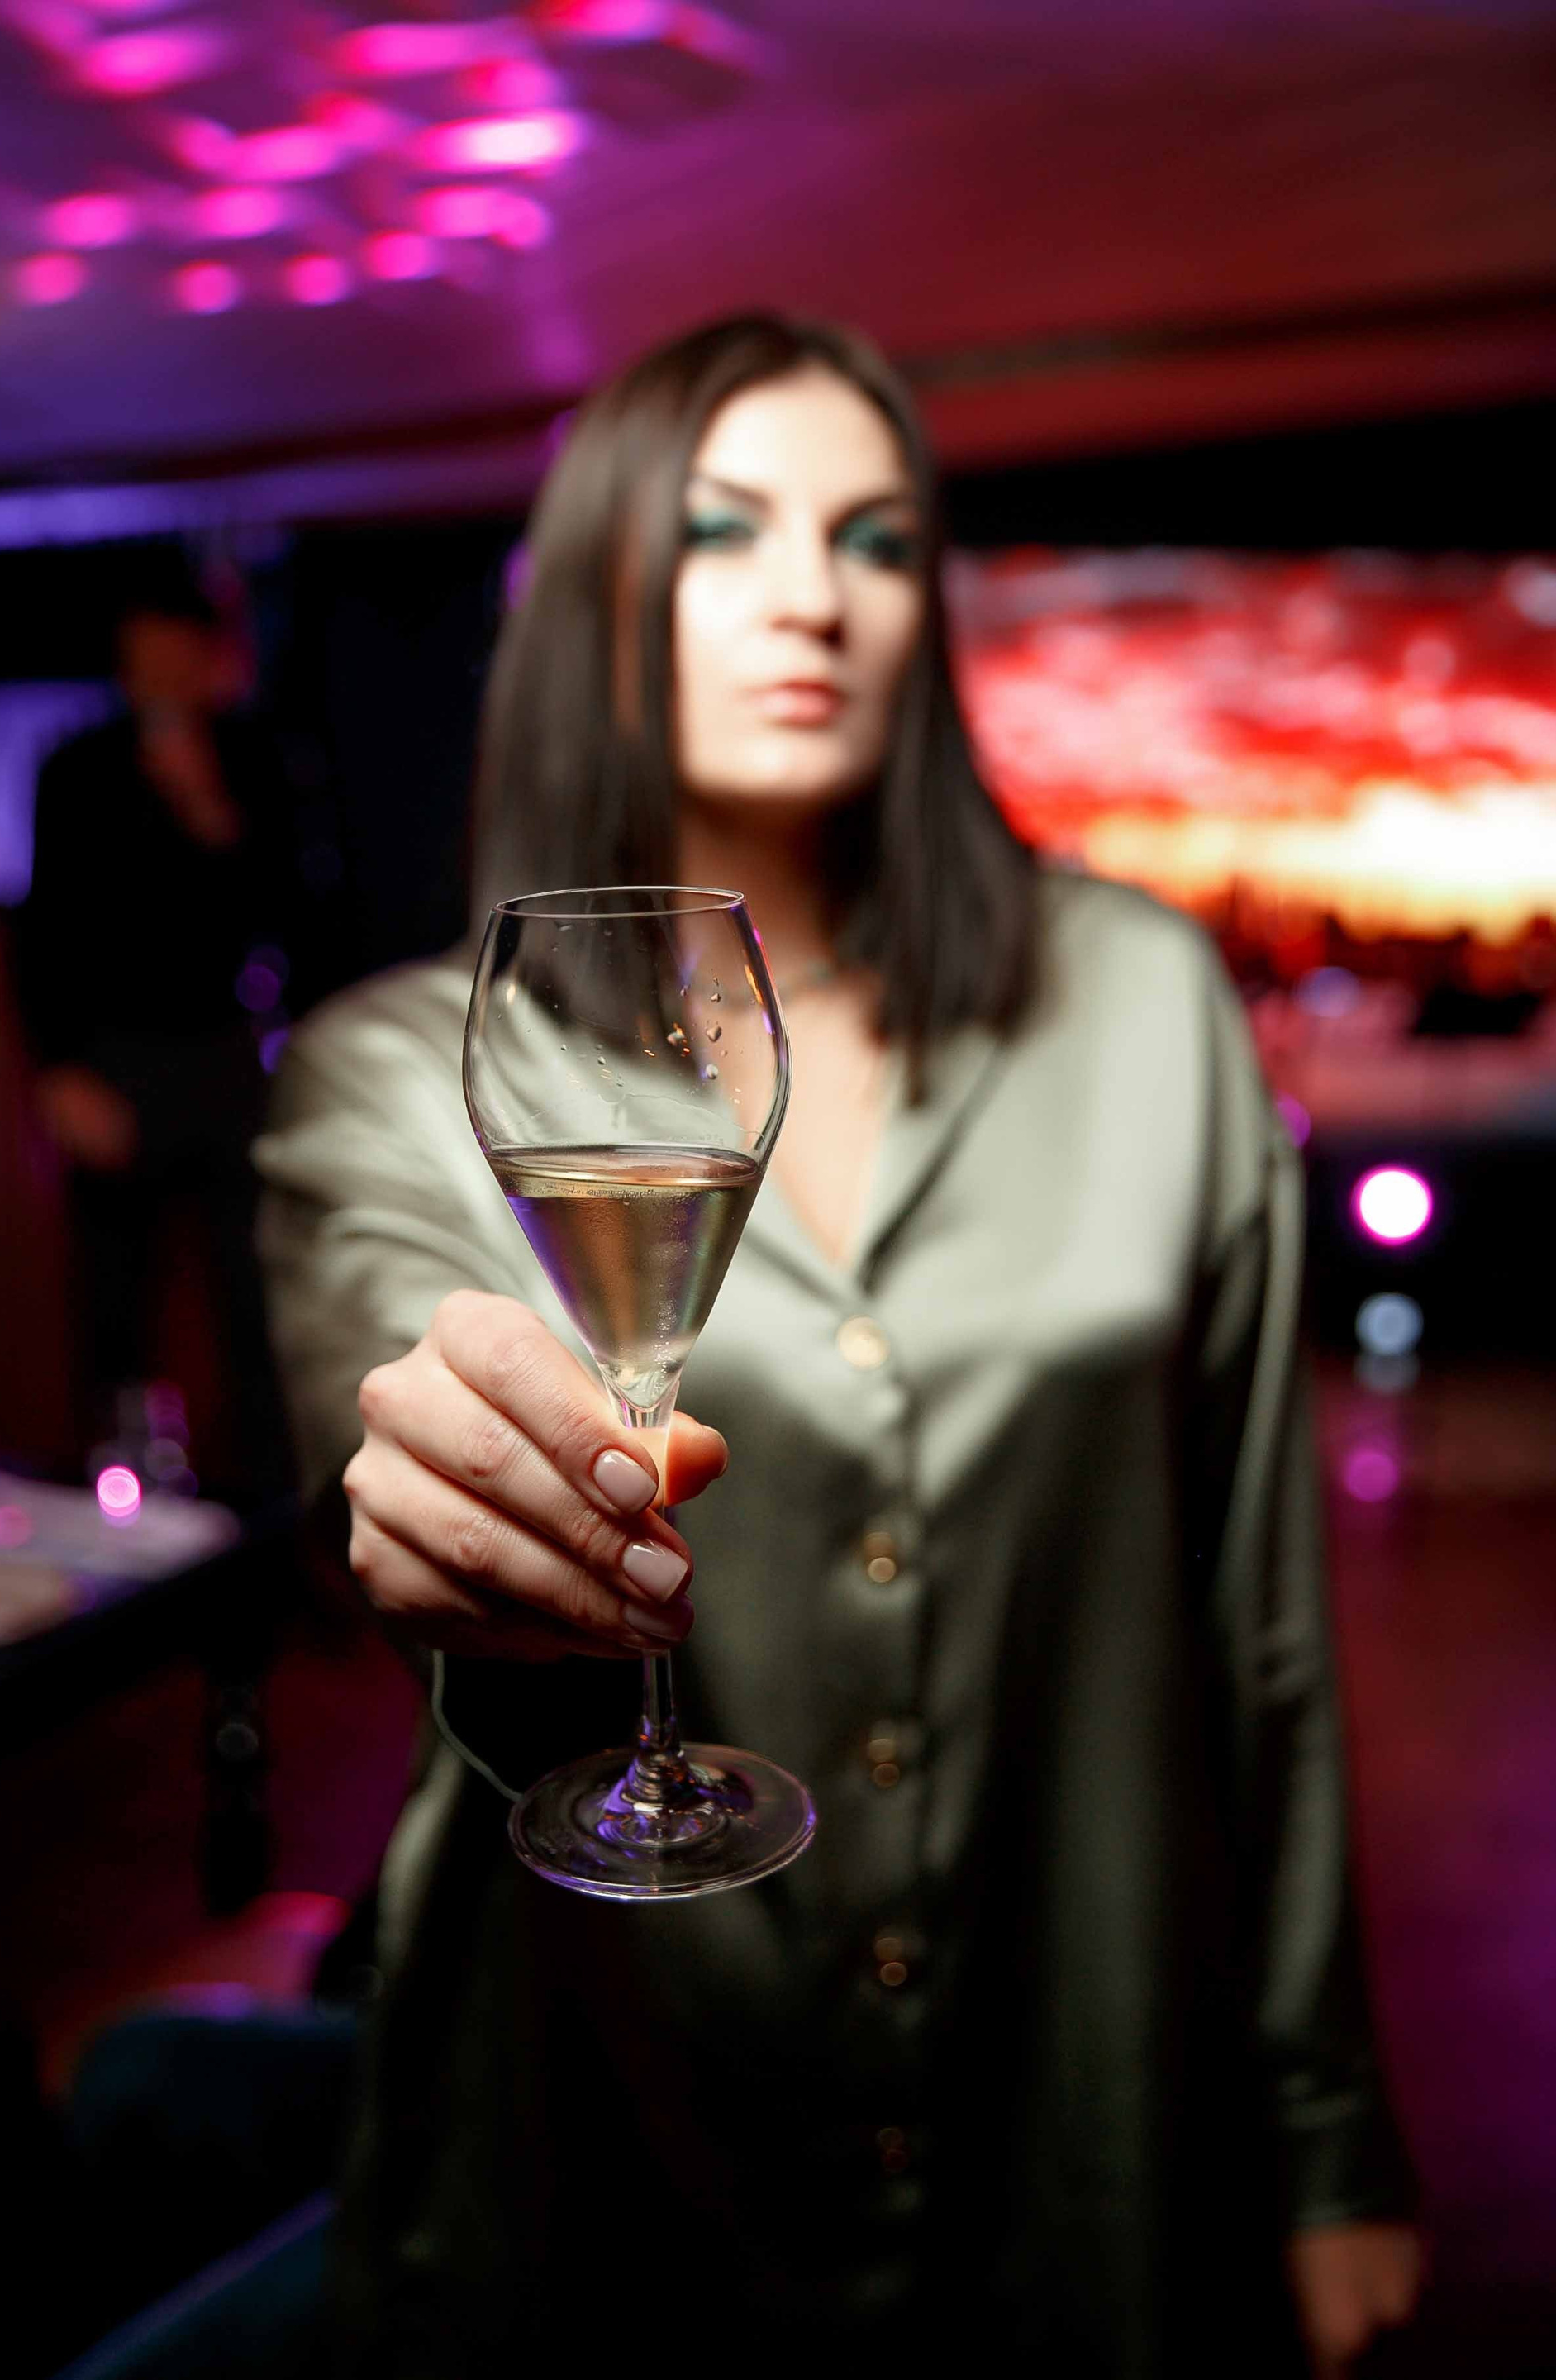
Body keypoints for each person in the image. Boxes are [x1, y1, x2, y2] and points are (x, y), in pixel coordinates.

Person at [254, 315, 1422, 2376]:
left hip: (1082, 2135)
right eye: (724, 531)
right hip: (602, 2167)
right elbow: (396, 1377)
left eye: (876, 540)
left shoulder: (1144, 1000)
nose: (813, 593)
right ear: (594, 595)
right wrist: (470, 1532)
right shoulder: (400, 1070)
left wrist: (1325, 2139)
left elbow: (1261, 1633)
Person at [11, 588, 297, 1507]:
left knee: (252, 1293)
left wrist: (203, 800)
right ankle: (121, 1502)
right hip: (111, 1061)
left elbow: (289, 910)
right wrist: (58, 1071)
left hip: (222, 1057)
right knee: (114, 1302)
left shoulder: (251, 756)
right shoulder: (75, 766)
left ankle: (268, 1512)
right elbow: (43, 929)